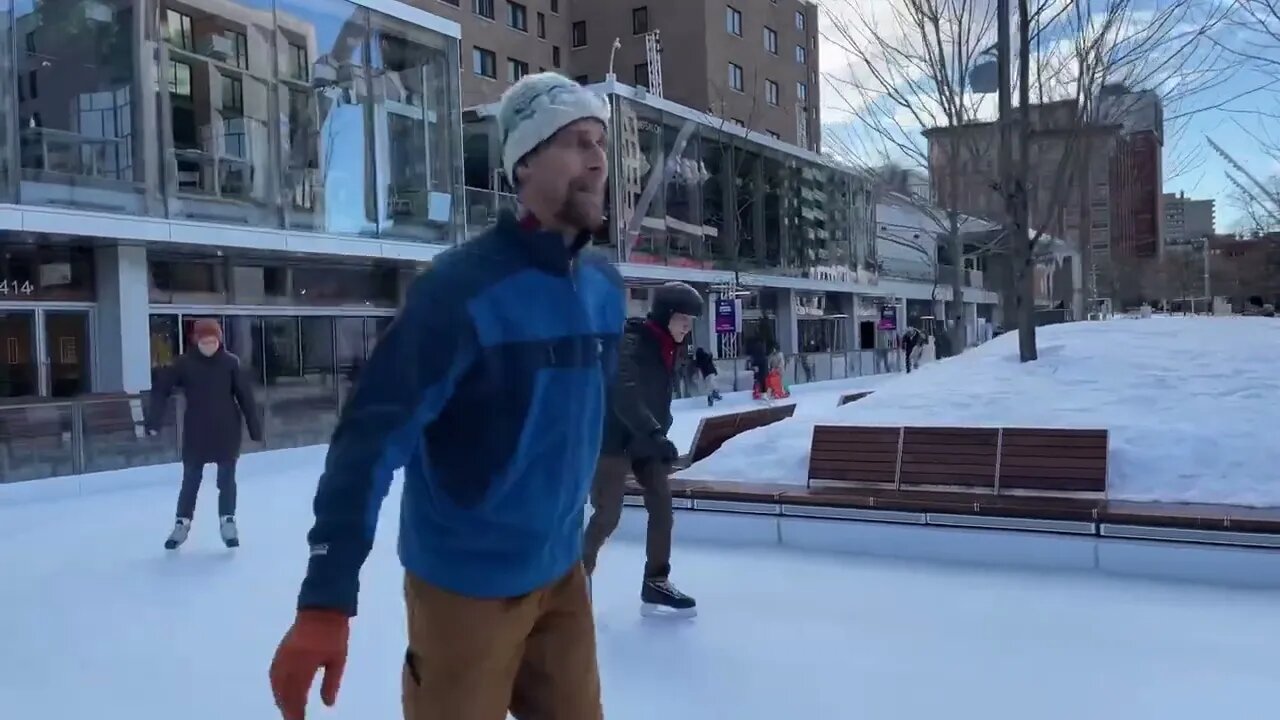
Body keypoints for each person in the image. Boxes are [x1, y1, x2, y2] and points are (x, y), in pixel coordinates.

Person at [267, 73, 623, 720]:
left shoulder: (604, 288)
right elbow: (369, 440)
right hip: (466, 587)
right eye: (576, 141)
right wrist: (325, 598)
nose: (598, 159)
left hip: (561, 572)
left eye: (601, 141)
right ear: (524, 162)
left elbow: (586, 415)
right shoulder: (458, 292)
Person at [583, 282, 703, 618]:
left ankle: (656, 581)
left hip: (645, 439)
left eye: (691, 321)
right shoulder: (630, 343)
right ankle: (573, 583)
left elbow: (656, 395)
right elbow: (625, 390)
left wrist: (658, 431)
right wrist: (654, 430)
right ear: (665, 315)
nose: (687, 327)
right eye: (683, 319)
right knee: (608, 515)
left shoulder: (668, 345)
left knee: (662, 505)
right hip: (612, 438)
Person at [146, 318, 261, 550]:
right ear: (195, 340)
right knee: (190, 480)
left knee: (226, 480)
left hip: (226, 429)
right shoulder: (184, 364)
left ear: (219, 340)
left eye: (213, 340)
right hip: (196, 431)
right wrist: (153, 420)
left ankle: (228, 521)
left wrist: (254, 427)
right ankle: (182, 523)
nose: (209, 344)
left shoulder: (230, 363)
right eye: (204, 340)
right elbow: (161, 391)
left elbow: (245, 397)